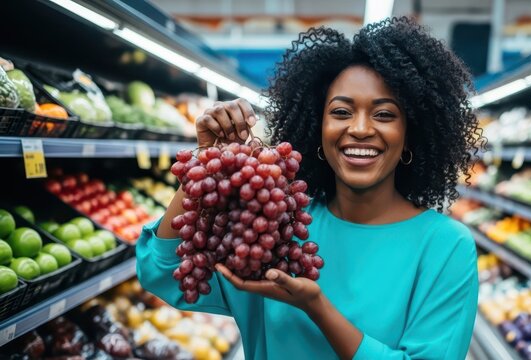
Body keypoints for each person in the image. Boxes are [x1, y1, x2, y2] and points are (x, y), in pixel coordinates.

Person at [137, 17, 483, 359]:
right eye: (342, 112)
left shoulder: (445, 246)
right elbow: (162, 272)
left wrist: (316, 306)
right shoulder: (275, 222)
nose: (360, 128)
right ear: (319, 128)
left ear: (411, 134)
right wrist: (206, 161)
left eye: (384, 115)